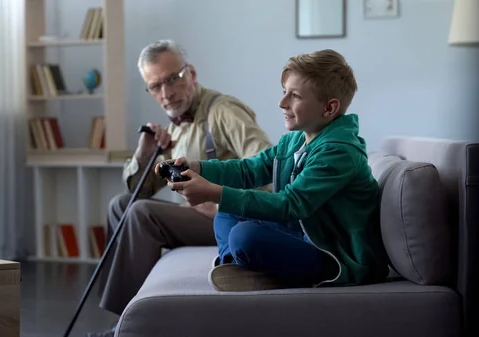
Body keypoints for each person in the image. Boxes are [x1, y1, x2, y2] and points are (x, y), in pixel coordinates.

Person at [159, 49, 389, 292]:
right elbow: (249, 170)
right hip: (305, 233)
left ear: (329, 108)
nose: (282, 103)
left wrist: (213, 193)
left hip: (335, 256)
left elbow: (290, 205)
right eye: (284, 92)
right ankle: (236, 270)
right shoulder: (295, 141)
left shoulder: (339, 152)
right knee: (227, 214)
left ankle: (249, 267)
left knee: (244, 236)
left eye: (295, 96)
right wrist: (196, 167)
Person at [88, 40, 273, 337]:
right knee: (121, 204)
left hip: (226, 217)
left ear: (192, 74)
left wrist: (221, 199)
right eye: (156, 86)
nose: (166, 93)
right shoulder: (173, 129)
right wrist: (146, 152)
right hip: (194, 215)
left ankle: (125, 324)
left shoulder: (223, 111)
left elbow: (267, 166)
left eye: (173, 79)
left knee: (141, 213)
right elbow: (140, 189)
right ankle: (121, 315)